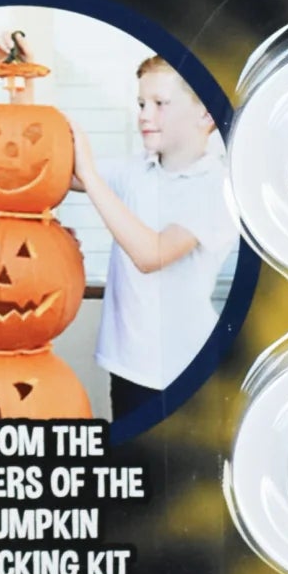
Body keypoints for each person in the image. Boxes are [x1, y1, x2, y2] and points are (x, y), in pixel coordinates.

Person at [72, 56, 236, 420]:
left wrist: (92, 177)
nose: (144, 115)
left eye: (160, 103)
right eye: (141, 104)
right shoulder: (135, 169)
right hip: (128, 368)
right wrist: (20, 83)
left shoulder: (218, 187)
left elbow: (152, 254)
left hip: (182, 371)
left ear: (206, 115)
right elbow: (50, 172)